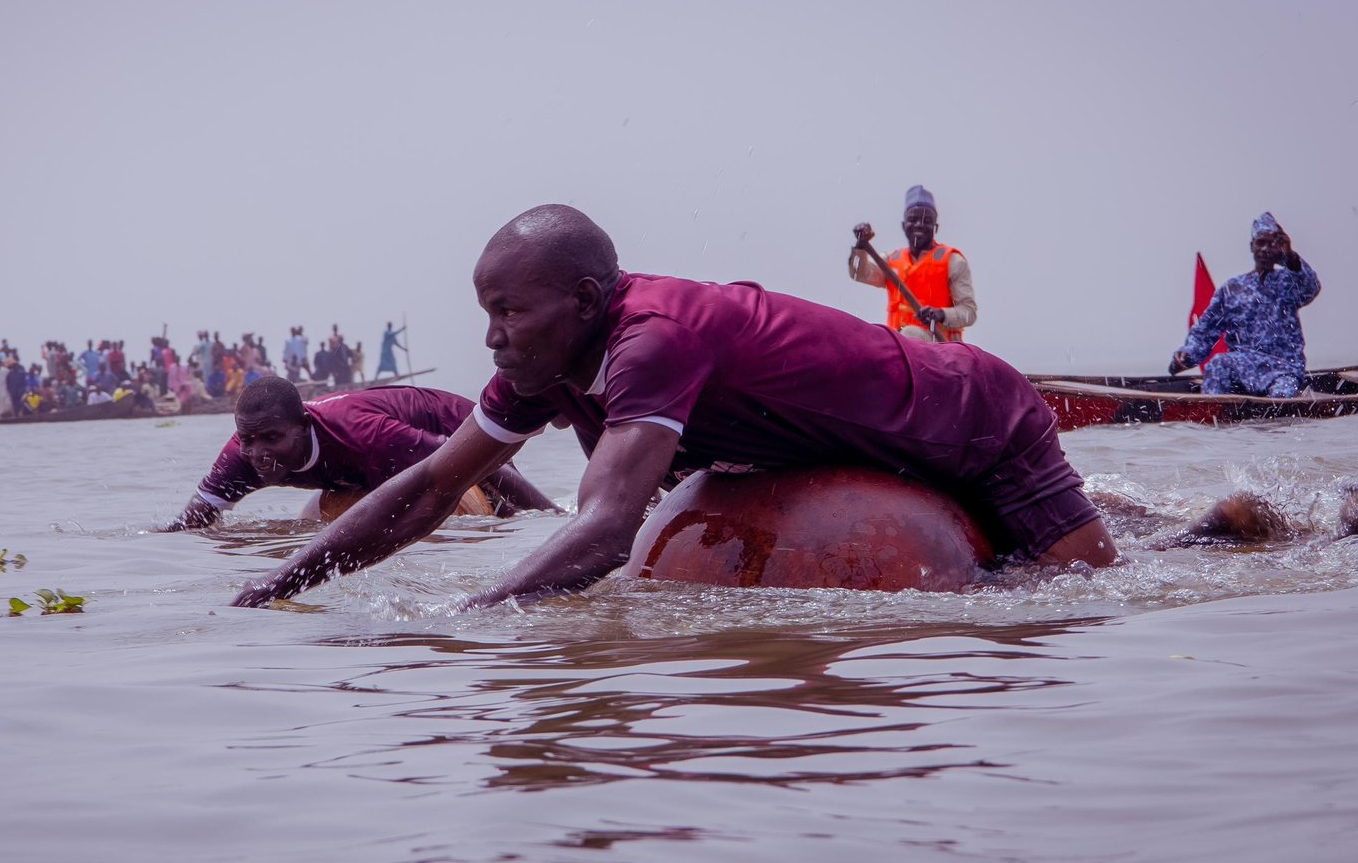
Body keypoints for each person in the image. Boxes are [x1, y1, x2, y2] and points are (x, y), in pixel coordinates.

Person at [232, 203, 1116, 608]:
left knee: (1072, 594)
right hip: (872, 459)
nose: (493, 338)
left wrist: (478, 620)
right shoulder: (542, 370)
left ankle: (1219, 527)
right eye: (485, 315)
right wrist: (274, 588)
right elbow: (429, 489)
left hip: (975, 421)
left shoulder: (654, 338)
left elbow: (611, 527)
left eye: (509, 313)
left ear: (584, 301)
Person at [166, 376, 556, 531]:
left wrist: (549, 518)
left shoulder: (366, 434)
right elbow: (194, 520)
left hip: (458, 433)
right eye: (248, 440)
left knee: (479, 525)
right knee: (311, 526)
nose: (257, 453)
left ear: (304, 426)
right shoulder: (242, 454)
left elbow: (482, 462)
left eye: (270, 438)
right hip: (365, 471)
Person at [1169, 212, 1320, 397]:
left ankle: (1277, 421)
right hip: (1243, 364)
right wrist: (1187, 355)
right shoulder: (1233, 289)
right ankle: (1211, 416)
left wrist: (1290, 257)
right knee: (1218, 364)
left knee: (1282, 396)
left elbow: (1310, 287)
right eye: (1260, 243)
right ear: (1251, 246)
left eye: (1271, 244)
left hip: (1283, 367)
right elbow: (1206, 330)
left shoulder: (1288, 282)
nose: (1264, 249)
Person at [848, 184, 977, 341]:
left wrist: (942, 314)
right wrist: (860, 249)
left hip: (939, 348)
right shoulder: (891, 260)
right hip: (898, 346)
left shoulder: (953, 261)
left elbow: (969, 312)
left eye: (926, 221)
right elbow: (858, 274)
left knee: (911, 334)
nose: (918, 225)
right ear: (904, 226)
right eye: (913, 220)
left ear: (935, 227)